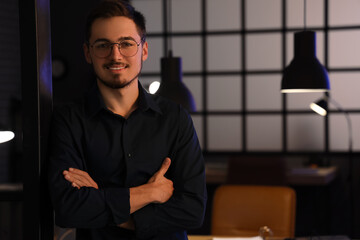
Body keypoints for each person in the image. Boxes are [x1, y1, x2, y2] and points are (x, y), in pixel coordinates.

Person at [47, 0, 207, 239]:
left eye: (126, 44)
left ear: (143, 50)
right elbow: (69, 208)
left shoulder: (175, 118)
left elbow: (193, 210)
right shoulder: (68, 120)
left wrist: (103, 199)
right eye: (103, 45)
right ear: (87, 53)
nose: (115, 55)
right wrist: (150, 192)